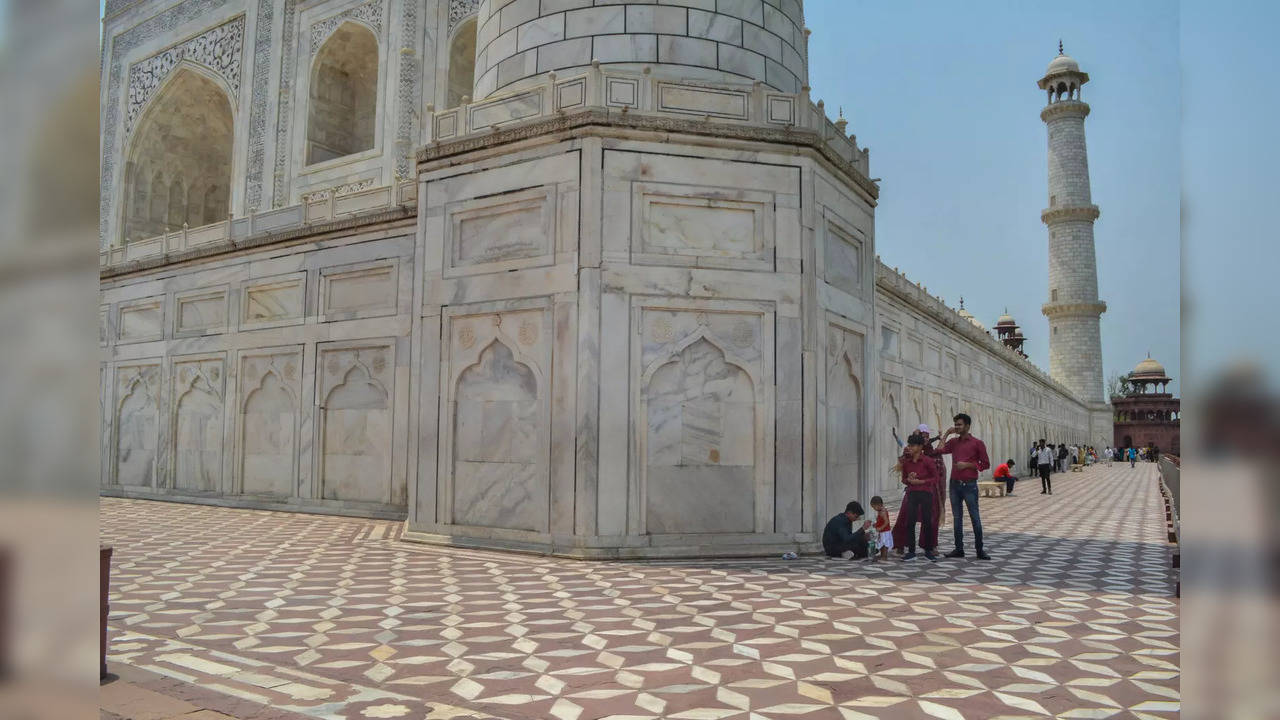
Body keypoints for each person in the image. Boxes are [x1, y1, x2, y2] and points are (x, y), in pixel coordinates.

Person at [938, 413, 991, 560]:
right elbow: (939, 450)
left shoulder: (977, 443)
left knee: (975, 518)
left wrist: (967, 465)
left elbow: (985, 464)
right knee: (957, 518)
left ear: (967, 426)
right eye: (955, 425)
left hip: (969, 486)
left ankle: (979, 550)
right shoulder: (954, 442)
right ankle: (959, 549)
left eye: (959, 425)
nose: (957, 427)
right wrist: (947, 434)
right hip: (954, 485)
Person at [896, 433, 940, 561]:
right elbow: (904, 479)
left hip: (926, 493)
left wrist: (921, 482)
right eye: (909, 445)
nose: (909, 447)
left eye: (912, 445)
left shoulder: (927, 461)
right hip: (912, 494)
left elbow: (935, 478)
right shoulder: (907, 462)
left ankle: (928, 551)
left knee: (927, 522)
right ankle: (911, 551)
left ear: (920, 447)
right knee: (910, 522)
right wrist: (909, 480)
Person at [868, 496, 893, 561]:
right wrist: (876, 525)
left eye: (874, 507)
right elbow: (880, 521)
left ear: (879, 505)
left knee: (885, 544)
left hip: (885, 531)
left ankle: (884, 556)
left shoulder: (883, 512)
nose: (874, 508)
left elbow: (886, 522)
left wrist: (880, 528)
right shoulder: (880, 511)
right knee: (881, 543)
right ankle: (882, 555)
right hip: (882, 531)